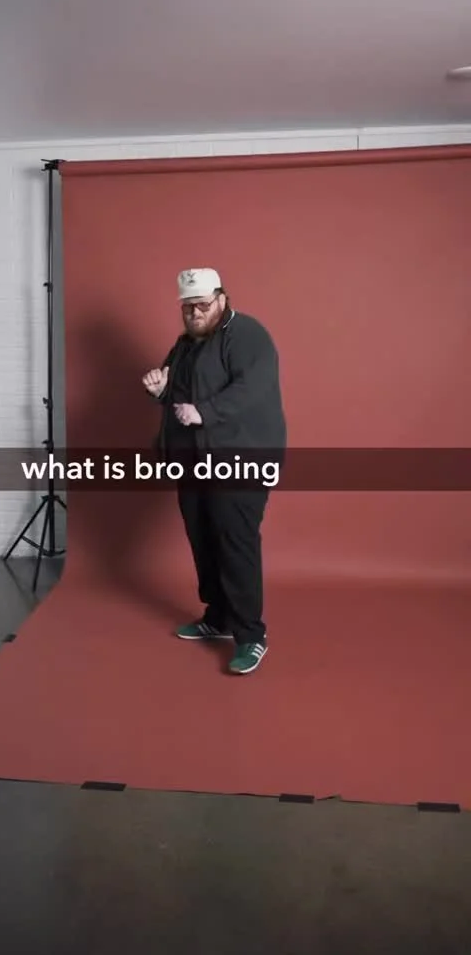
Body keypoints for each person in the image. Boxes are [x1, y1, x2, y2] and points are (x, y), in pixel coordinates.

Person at [142, 268, 286, 676]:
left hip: (241, 460)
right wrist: (160, 390)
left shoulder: (248, 335)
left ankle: (251, 636)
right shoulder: (185, 345)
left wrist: (205, 411)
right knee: (203, 538)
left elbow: (252, 387)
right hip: (194, 461)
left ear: (222, 298)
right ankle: (219, 616)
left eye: (202, 305)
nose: (195, 314)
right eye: (187, 308)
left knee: (235, 542)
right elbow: (178, 395)